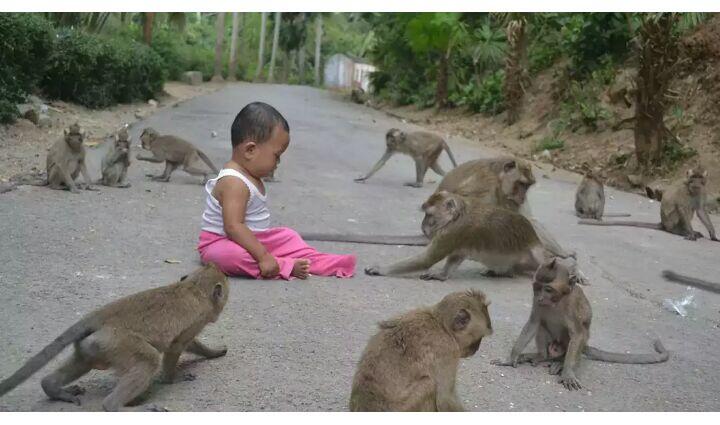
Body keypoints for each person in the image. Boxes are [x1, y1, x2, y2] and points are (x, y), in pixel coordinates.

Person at [197, 102, 356, 280]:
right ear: (250, 150)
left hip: (253, 239)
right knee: (230, 257)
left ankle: (326, 263)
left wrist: (262, 248)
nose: (278, 163)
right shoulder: (234, 182)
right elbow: (233, 227)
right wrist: (263, 255)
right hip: (221, 242)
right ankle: (281, 266)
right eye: (276, 156)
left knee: (288, 236)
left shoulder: (249, 174)